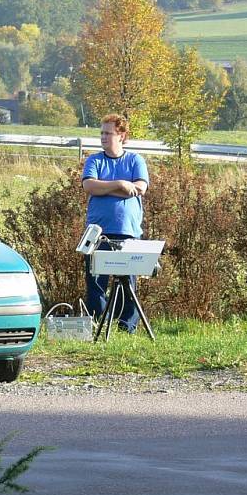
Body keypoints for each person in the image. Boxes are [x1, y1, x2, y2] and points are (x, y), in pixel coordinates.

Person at [82, 113, 149, 333]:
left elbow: (140, 187)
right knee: (96, 283)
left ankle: (126, 326)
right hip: (98, 232)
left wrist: (107, 189)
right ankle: (99, 324)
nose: (103, 136)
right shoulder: (95, 160)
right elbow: (90, 186)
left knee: (128, 282)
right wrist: (120, 184)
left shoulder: (135, 160)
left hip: (127, 231)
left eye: (108, 133)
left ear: (121, 136)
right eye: (101, 132)